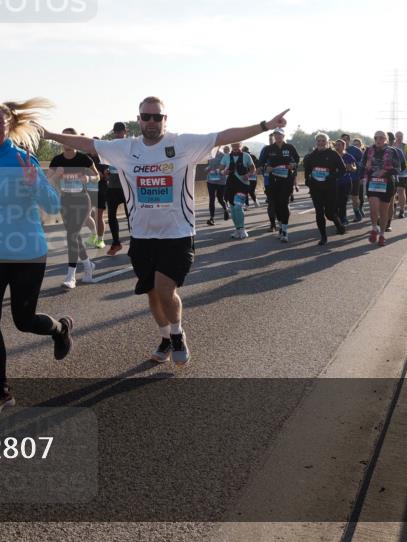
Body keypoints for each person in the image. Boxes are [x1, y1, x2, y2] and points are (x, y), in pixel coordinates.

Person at [45, 98, 289, 365]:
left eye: (156, 117)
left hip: (177, 233)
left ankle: (177, 333)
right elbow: (86, 143)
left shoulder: (183, 144)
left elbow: (223, 135)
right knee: (151, 292)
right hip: (142, 235)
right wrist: (45, 134)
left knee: (165, 288)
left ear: (165, 119)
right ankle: (164, 337)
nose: (151, 122)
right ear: (138, 119)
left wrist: (265, 125)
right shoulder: (125, 148)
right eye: (146, 117)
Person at [0, 99, 73, 415]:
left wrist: (35, 183)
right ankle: (1, 390)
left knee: (23, 322)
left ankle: (59, 330)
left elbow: (51, 205)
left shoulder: (24, 159)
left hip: (28, 254)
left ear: (8, 126)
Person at [48, 129, 99, 289]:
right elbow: (47, 181)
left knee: (72, 234)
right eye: (64, 139)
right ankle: (88, 265)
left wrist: (88, 178)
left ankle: (71, 276)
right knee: (74, 236)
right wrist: (57, 175)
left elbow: (97, 177)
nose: (66, 143)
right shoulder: (57, 160)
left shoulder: (83, 159)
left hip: (82, 201)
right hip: (65, 201)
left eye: (69, 139)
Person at [302, 133, 347, 245]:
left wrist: (332, 177)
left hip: (330, 187)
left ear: (327, 142)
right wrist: (308, 182)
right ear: (316, 142)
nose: (321, 143)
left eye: (323, 141)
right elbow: (307, 171)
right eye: (319, 141)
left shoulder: (333, 154)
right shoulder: (311, 156)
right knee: (319, 212)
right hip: (316, 188)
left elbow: (342, 170)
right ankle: (323, 237)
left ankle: (338, 224)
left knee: (330, 213)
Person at [260, 129, 300, 242]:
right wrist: (265, 168)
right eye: (276, 135)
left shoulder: (289, 147)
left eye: (280, 135)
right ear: (274, 136)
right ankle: (281, 227)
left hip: (286, 180)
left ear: (283, 136)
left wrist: (293, 165)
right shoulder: (268, 149)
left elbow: (297, 159)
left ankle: (285, 231)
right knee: (276, 206)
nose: (277, 137)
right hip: (272, 181)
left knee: (284, 203)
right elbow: (260, 162)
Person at [362, 131, 398, 246]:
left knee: (383, 212)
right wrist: (366, 166)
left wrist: (385, 171)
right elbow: (361, 164)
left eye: (381, 138)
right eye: (376, 137)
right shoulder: (368, 150)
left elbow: (399, 168)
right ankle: (374, 228)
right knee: (373, 208)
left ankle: (382, 234)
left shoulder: (393, 151)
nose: (378, 140)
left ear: (386, 140)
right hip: (373, 183)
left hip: (387, 184)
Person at [104, 121, 130, 256]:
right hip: (113, 185)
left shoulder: (131, 144)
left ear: (125, 131)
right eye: (117, 131)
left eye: (121, 131)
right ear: (114, 132)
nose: (119, 134)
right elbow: (105, 160)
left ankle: (136, 241)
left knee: (130, 215)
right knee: (111, 215)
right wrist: (106, 170)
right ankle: (116, 243)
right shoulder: (111, 146)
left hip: (127, 185)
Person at [221, 143, 255, 239]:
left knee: (238, 206)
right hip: (231, 184)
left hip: (243, 185)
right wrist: (223, 172)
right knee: (232, 209)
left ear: (240, 146)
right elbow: (221, 169)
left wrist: (248, 174)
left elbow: (253, 168)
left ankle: (242, 229)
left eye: (237, 146)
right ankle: (237, 229)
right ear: (231, 147)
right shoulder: (226, 157)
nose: (235, 148)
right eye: (233, 146)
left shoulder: (246, 156)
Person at [334, 139, 356, 225]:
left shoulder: (348, 156)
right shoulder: (333, 156)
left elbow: (355, 169)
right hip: (334, 183)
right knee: (335, 203)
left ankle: (343, 219)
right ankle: (338, 218)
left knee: (342, 202)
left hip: (345, 182)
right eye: (336, 145)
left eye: (339, 145)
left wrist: (350, 167)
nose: (337, 147)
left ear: (344, 146)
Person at [205, 148, 228, 225]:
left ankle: (225, 209)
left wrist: (218, 170)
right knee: (211, 198)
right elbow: (210, 165)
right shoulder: (210, 155)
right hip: (211, 180)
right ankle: (212, 218)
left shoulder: (223, 156)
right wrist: (207, 168)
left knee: (220, 199)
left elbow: (226, 167)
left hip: (220, 181)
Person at [345, 136, 365, 222]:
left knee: (356, 197)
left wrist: (361, 176)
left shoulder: (356, 150)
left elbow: (362, 164)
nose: (344, 141)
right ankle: (343, 216)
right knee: (343, 199)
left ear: (348, 140)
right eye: (342, 139)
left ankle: (357, 211)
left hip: (355, 177)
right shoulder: (337, 150)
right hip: (342, 179)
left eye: (346, 139)